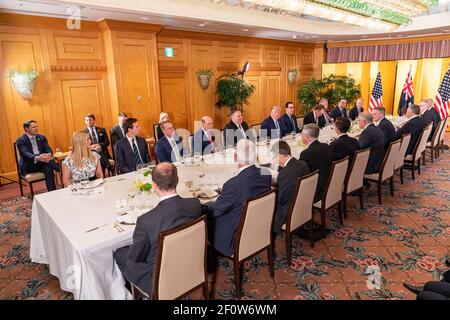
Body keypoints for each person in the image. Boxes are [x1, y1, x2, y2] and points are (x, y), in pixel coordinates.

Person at [113, 163, 202, 296]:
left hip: (160, 280)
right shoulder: (194, 204)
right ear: (177, 180)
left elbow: (136, 257)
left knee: (120, 253)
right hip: (191, 265)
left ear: (154, 185)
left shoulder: (146, 221)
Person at [207, 139, 271, 256]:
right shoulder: (266, 173)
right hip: (259, 224)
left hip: (235, 235)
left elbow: (215, 211)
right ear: (256, 156)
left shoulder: (232, 185)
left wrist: (203, 206)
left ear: (235, 157)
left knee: (203, 219)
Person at [271, 141, 309, 234]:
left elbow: (280, 199)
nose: (274, 160)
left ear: (280, 156)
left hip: (288, 211)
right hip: (304, 203)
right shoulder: (303, 164)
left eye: (274, 157)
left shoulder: (284, 174)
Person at [16, 120, 60, 192]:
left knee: (48, 169)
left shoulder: (41, 137)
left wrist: (48, 154)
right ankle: (62, 170)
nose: (36, 128)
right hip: (29, 165)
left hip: (43, 162)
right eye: (33, 127)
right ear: (27, 129)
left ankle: (52, 192)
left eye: (37, 126)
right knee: (48, 163)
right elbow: (25, 154)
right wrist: (37, 158)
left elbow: (48, 149)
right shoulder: (21, 140)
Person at [299, 124, 333, 202]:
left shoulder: (306, 153)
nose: (301, 136)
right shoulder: (326, 146)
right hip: (329, 183)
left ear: (307, 137)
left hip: (316, 190)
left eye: (302, 134)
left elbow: (302, 175)